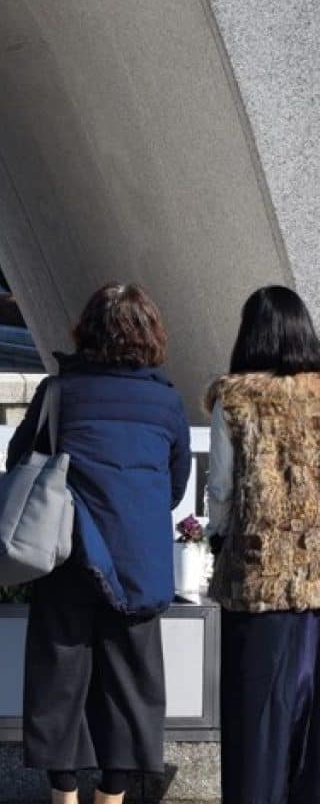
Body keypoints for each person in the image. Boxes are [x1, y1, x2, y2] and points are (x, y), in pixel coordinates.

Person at [7, 283, 191, 804]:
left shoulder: (60, 392)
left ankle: (63, 794)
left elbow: (20, 461)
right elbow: (175, 485)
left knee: (57, 681)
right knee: (132, 686)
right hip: (136, 562)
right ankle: (113, 796)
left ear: (88, 331)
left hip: (67, 554)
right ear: (149, 333)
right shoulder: (167, 400)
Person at [206, 285, 320, 803]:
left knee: (256, 724)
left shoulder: (233, 398)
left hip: (258, 584)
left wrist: (217, 540)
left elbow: (222, 492)